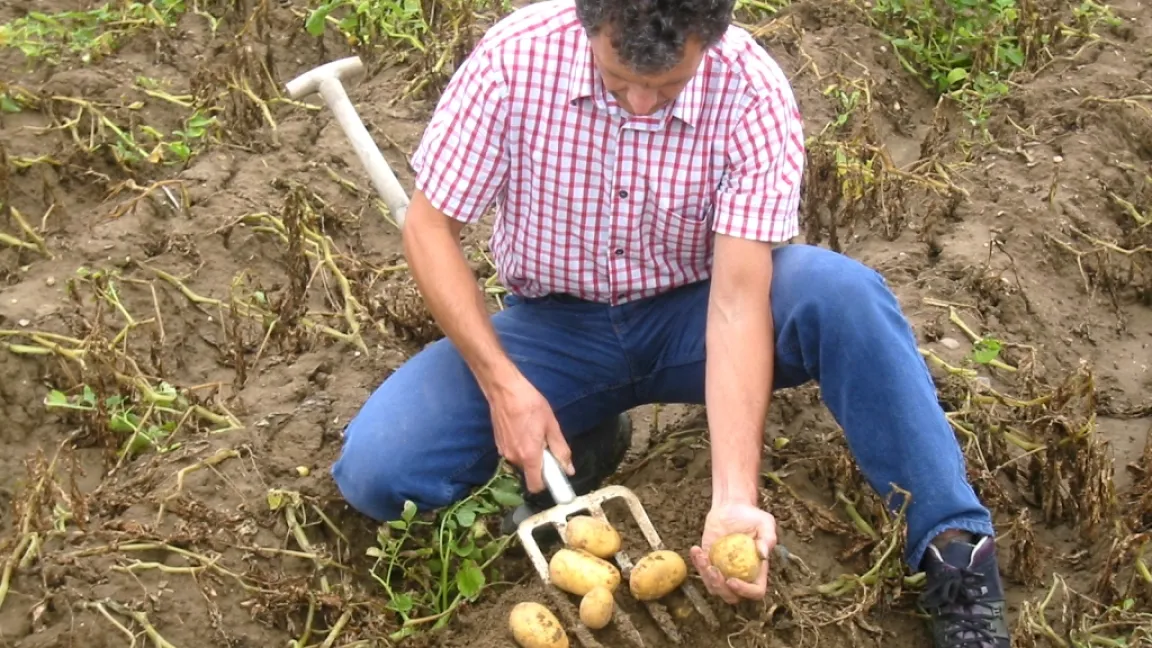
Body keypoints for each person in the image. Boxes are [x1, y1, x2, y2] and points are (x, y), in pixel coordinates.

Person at [331, 1, 1009, 646]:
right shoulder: (516, 60)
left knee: (845, 297)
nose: (643, 104)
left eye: (670, 85)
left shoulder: (750, 91)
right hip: (556, 330)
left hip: (697, 314)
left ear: (707, 42)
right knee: (378, 469)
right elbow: (428, 229)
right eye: (619, 80)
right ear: (587, 25)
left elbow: (740, 300)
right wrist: (504, 385)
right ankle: (590, 436)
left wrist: (734, 497)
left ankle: (955, 556)